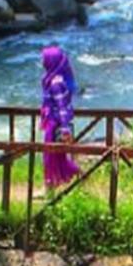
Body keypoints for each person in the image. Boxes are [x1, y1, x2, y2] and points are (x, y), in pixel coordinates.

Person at [39, 46, 80, 191]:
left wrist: (65, 129)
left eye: (44, 59)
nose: (42, 62)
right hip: (55, 124)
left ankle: (50, 188)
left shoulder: (56, 83)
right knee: (53, 158)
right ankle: (52, 187)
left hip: (55, 126)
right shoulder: (54, 79)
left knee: (51, 157)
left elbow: (62, 107)